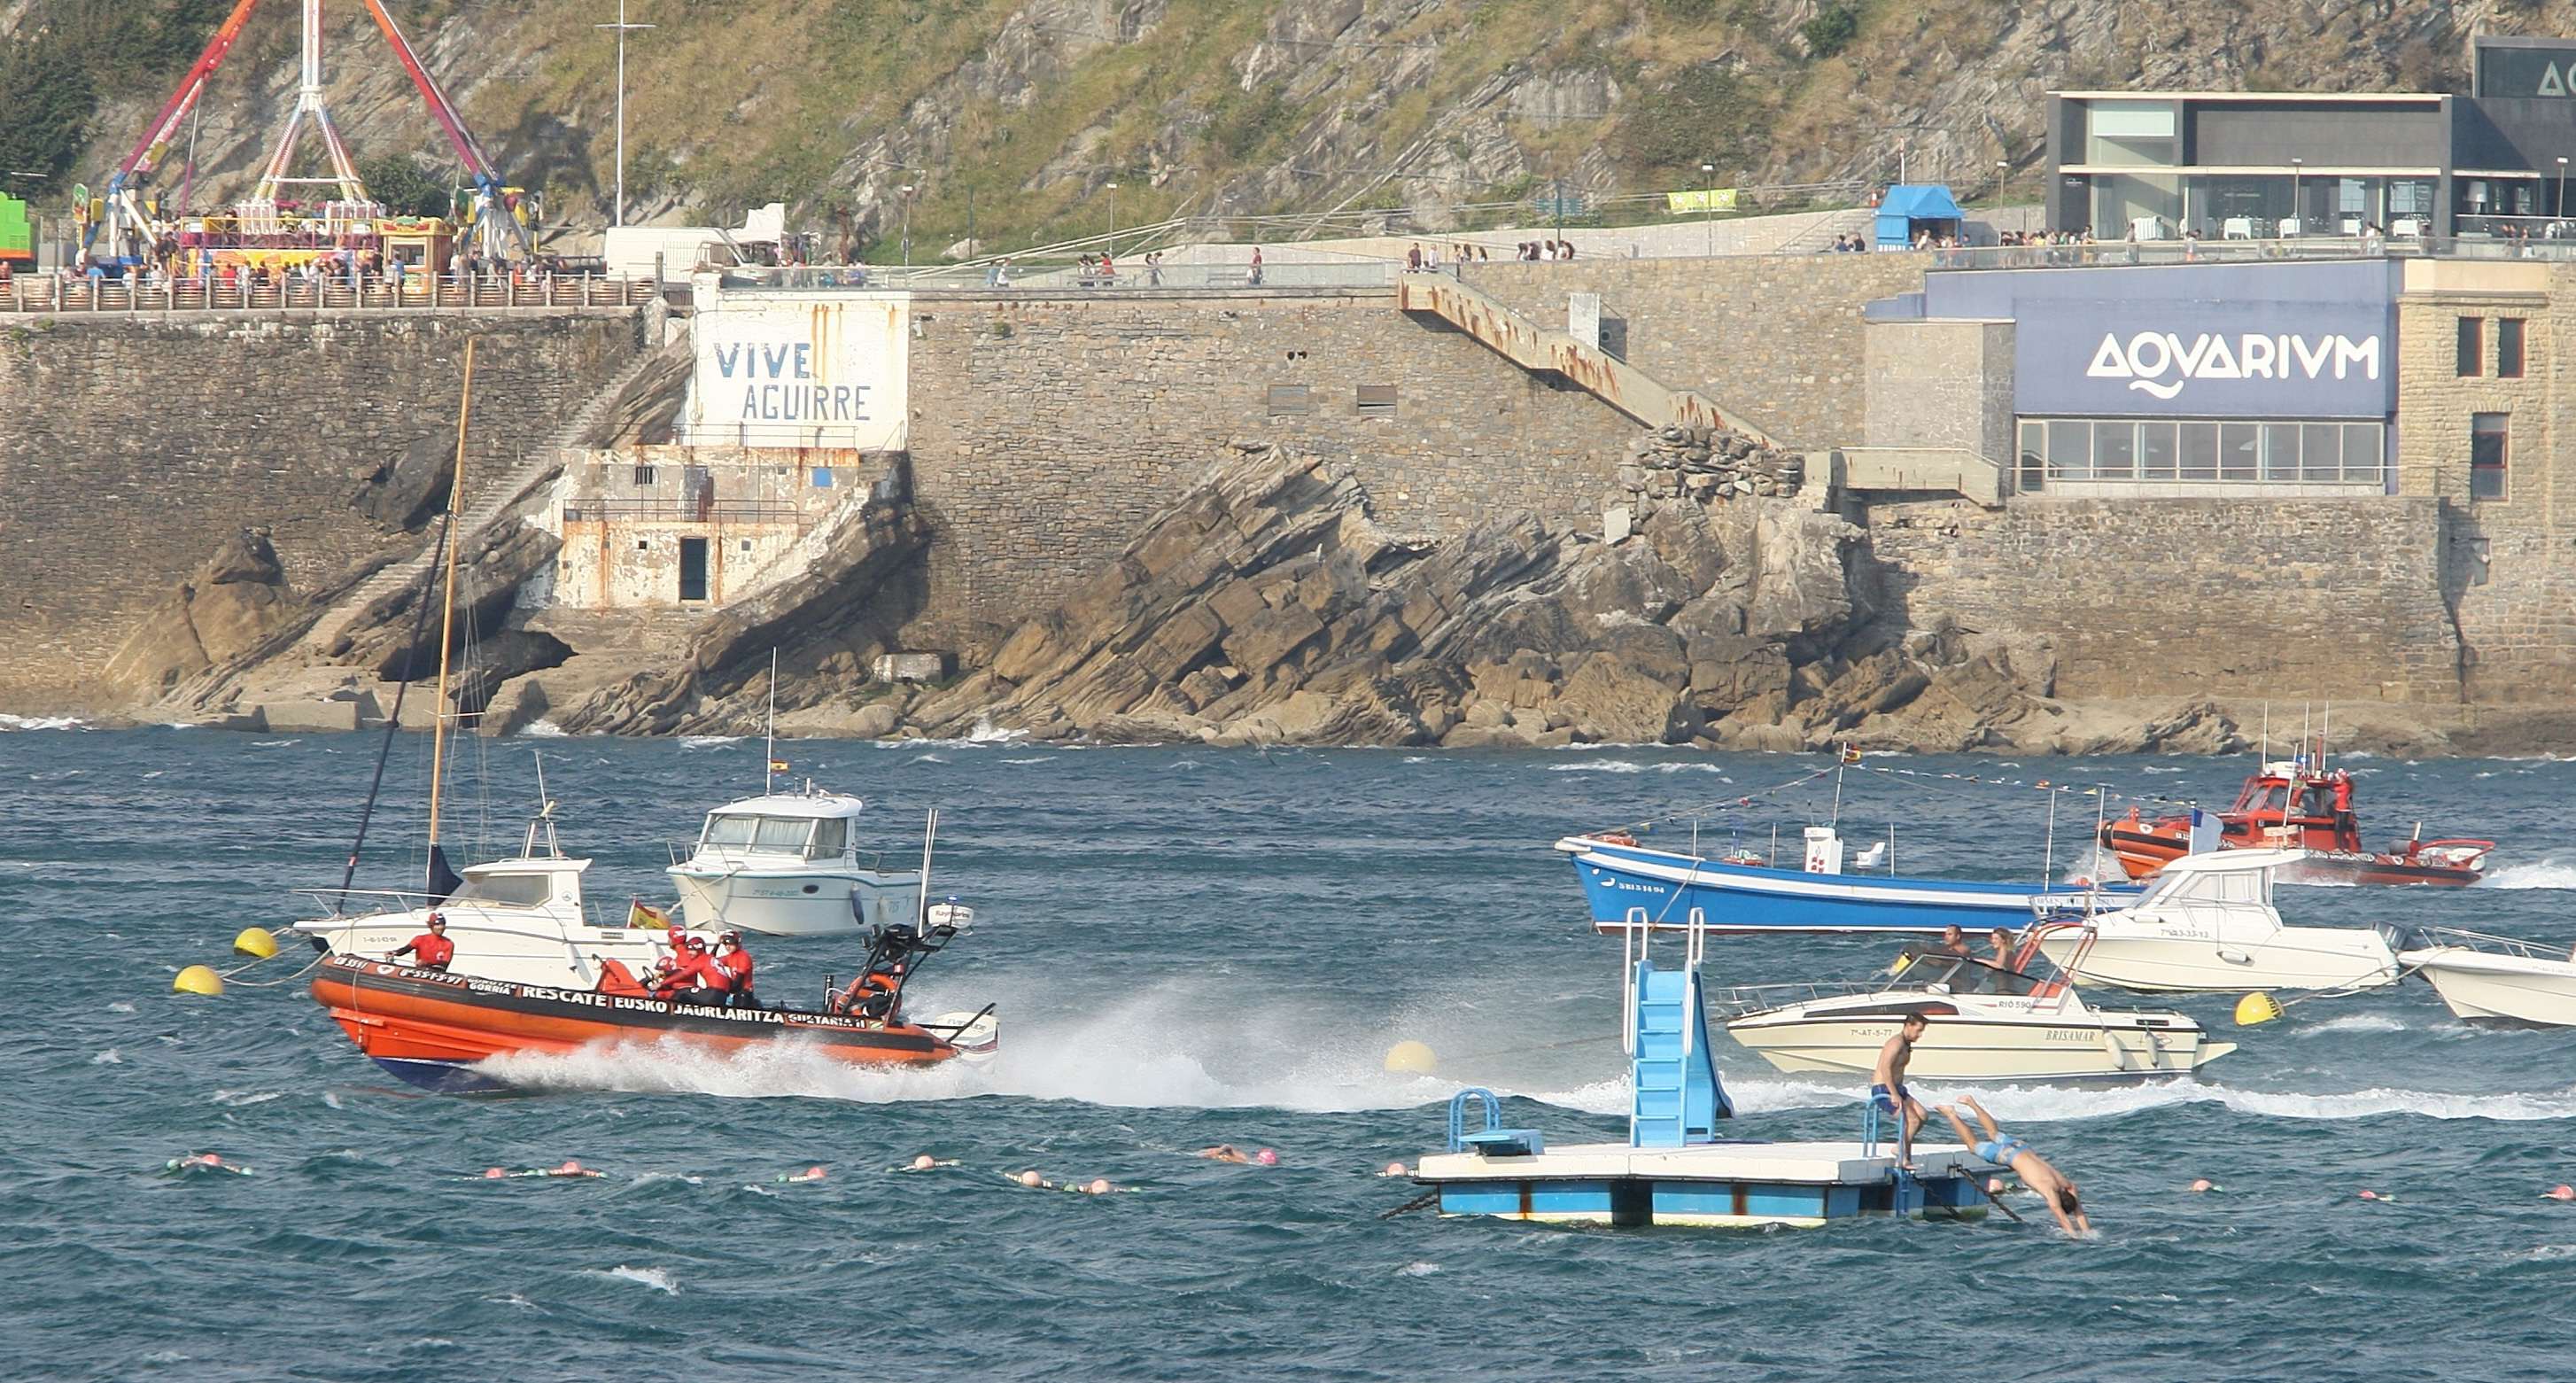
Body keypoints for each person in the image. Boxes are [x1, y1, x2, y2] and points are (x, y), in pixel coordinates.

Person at [1935, 1096, 2091, 1237]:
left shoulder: (2068, 1186)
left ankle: (1971, 1103)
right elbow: (2061, 1216)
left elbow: (2079, 1210)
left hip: (2022, 1147)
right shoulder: (2048, 1191)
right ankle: (1951, 1114)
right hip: (2008, 1156)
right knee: (1973, 1145)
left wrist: (2086, 1231)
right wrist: (2073, 1235)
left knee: (1994, 1133)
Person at [1871, 1013, 1929, 1169]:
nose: (1920, 1035)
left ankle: (1902, 1150)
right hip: (1883, 1089)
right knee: (1912, 1120)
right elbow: (1885, 1068)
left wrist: (1898, 1091)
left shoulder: (1905, 1044)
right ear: (1908, 1026)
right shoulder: (1895, 1043)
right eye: (1918, 1030)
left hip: (1897, 1088)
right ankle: (1902, 1155)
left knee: (1923, 1115)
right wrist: (1894, 1094)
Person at [389, 913, 454, 970]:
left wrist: (426, 963)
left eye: (443, 924)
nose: (441, 927)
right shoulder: (420, 939)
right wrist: (394, 953)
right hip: (419, 972)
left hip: (436, 976)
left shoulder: (449, 944)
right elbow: (405, 950)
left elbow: (443, 966)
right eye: (437, 924)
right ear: (431, 925)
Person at [715, 930, 757, 1008]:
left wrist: (724, 991)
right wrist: (717, 944)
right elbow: (710, 961)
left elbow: (738, 982)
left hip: (744, 993)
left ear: (738, 944)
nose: (728, 947)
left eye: (731, 944)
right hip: (736, 992)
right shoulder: (730, 957)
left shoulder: (743, 957)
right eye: (726, 944)